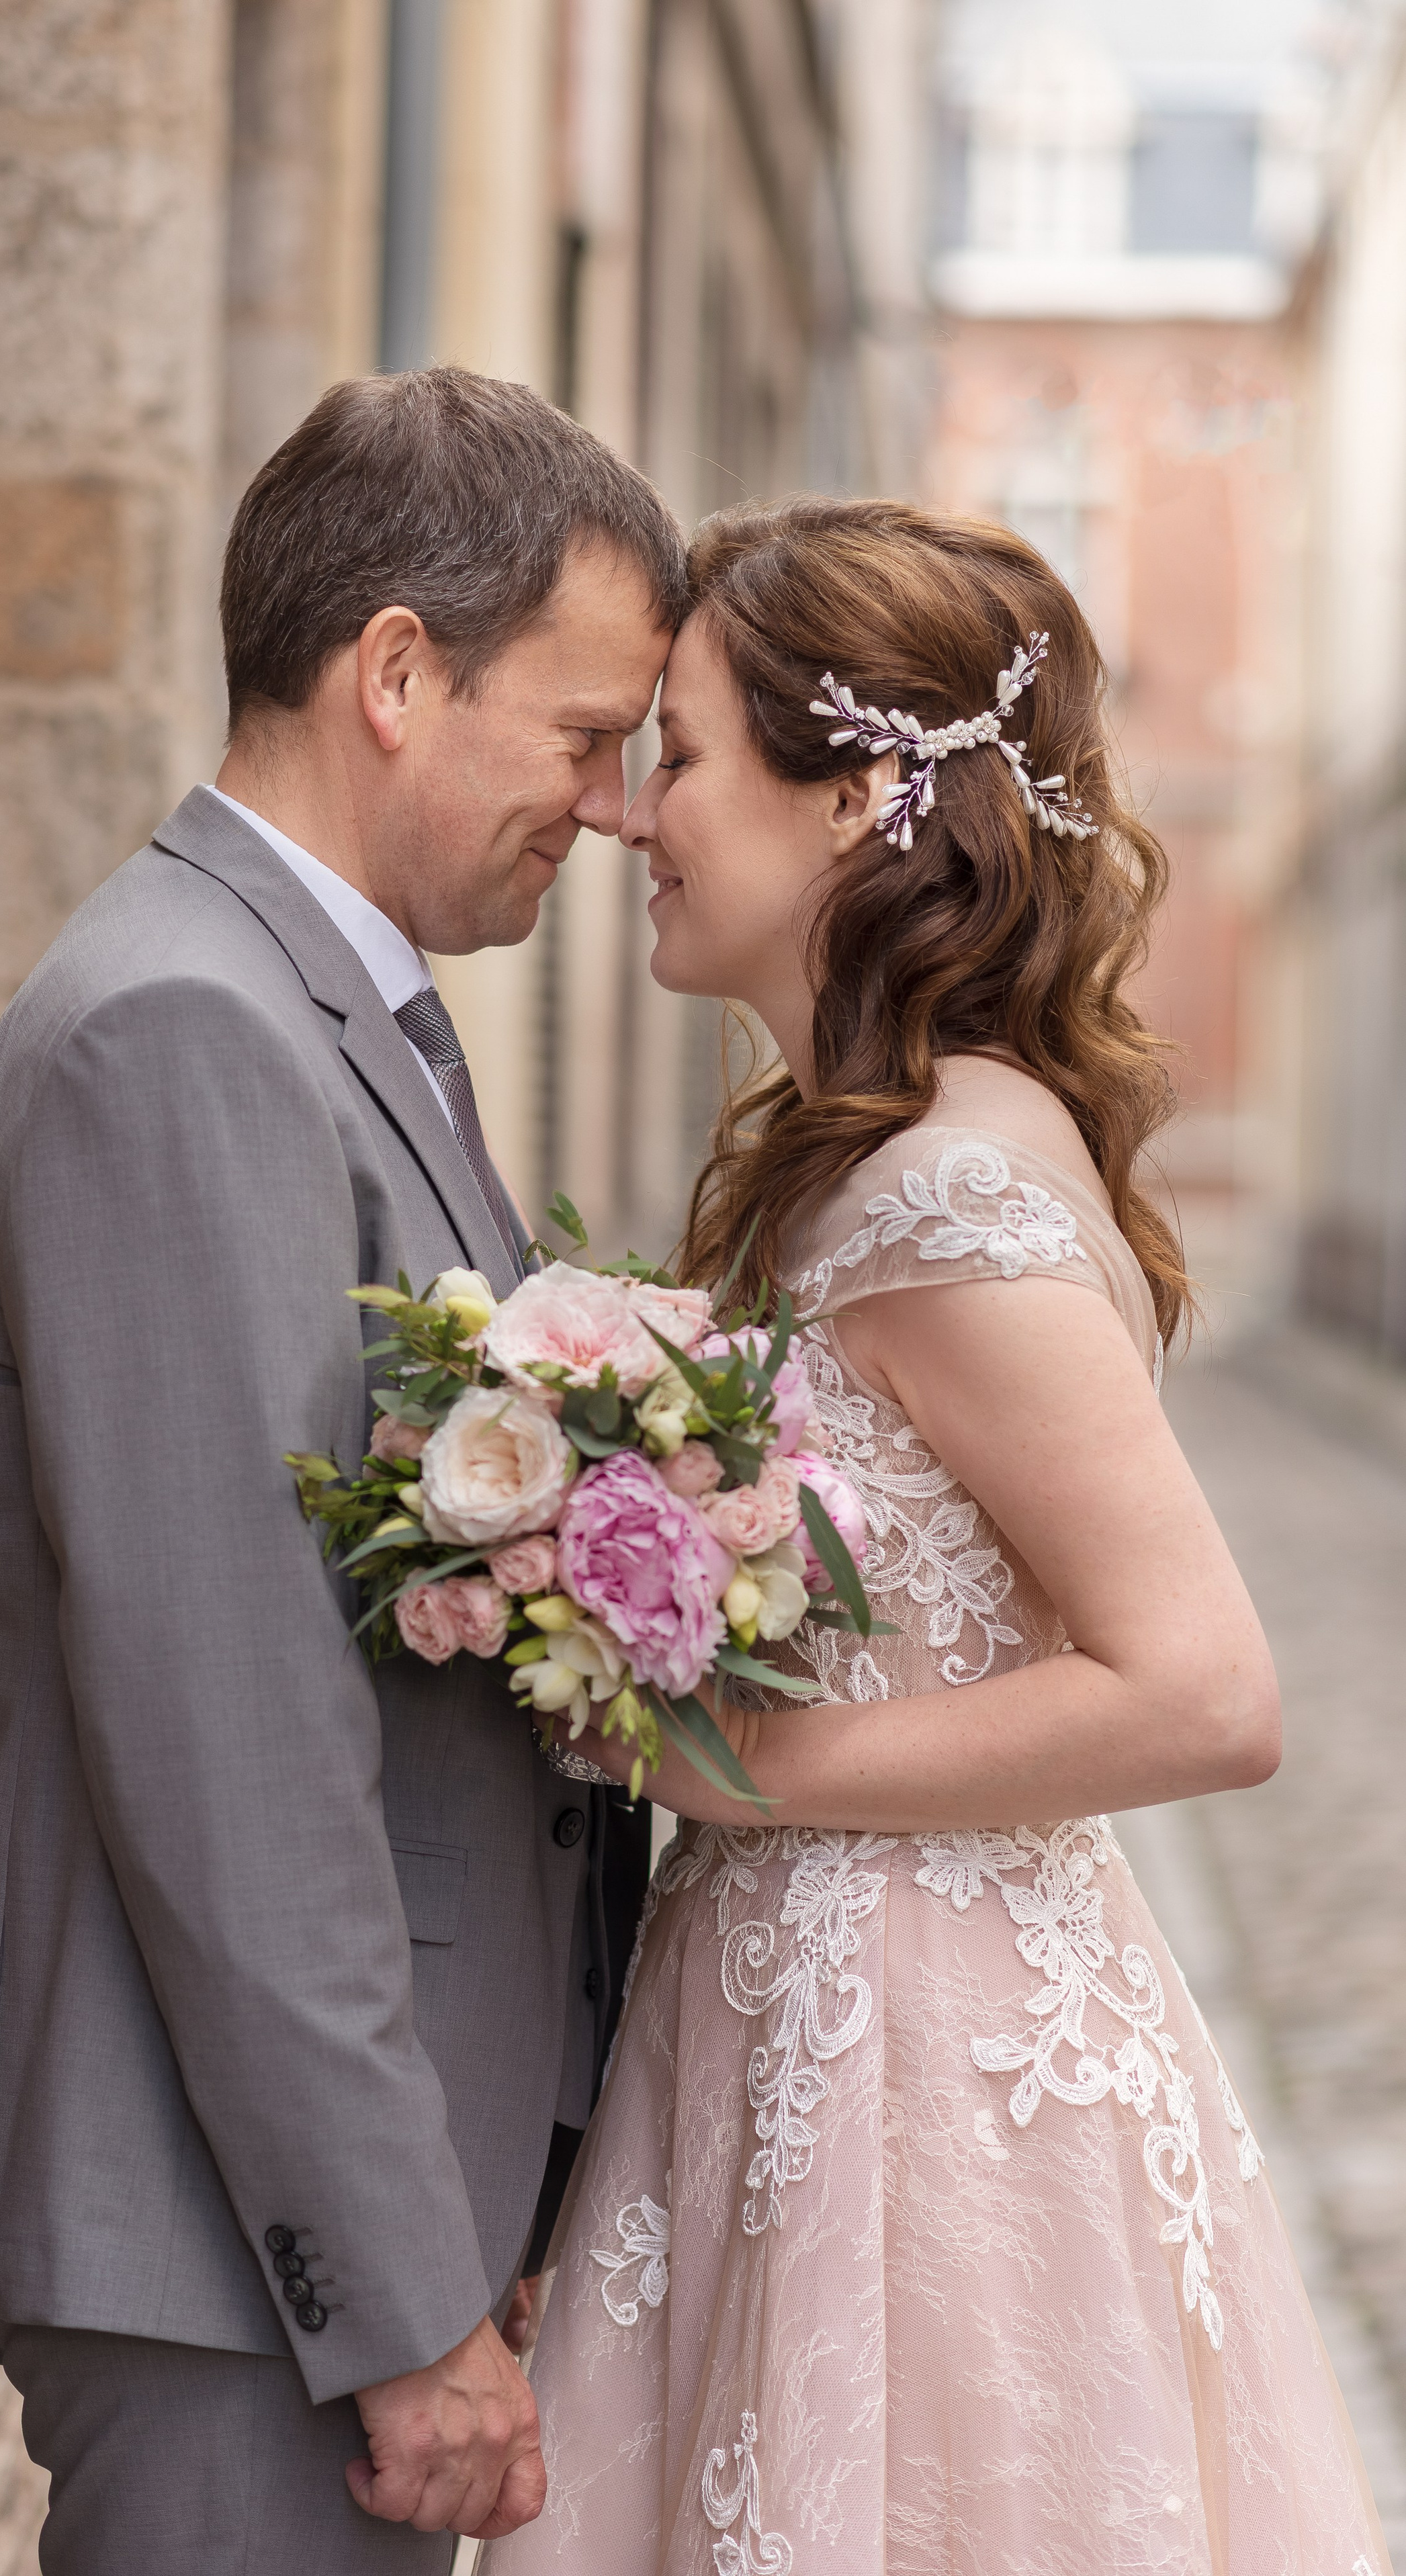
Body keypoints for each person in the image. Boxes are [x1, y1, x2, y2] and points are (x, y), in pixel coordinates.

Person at [0, 367, 679, 2573]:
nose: (610, 804)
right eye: (582, 736)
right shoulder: (185, 1031)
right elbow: (233, 1728)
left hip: (283, 2193)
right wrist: (390, 2299)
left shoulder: (334, 1010)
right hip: (218, 2228)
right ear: (397, 670)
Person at [483, 497, 1394, 2574]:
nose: (635, 814)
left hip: (922, 2059)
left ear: (856, 802)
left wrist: (733, 1761)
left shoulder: (943, 1200)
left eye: (688, 753)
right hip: (808, 2003)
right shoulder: (867, 1166)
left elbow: (1203, 1687)